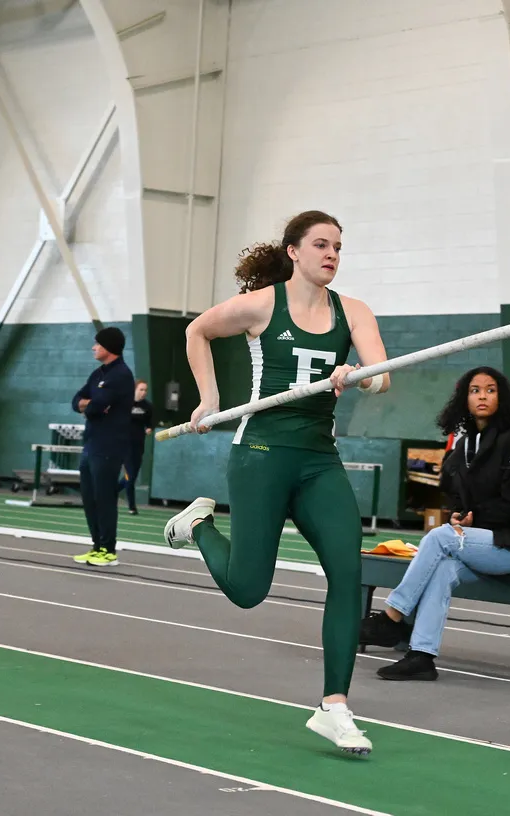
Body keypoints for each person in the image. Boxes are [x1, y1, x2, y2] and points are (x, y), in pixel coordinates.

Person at [162, 210, 391, 756]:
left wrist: (356, 377)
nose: (331, 254)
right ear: (294, 251)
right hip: (261, 453)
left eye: (338, 246)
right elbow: (197, 330)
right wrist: (210, 400)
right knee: (248, 591)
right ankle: (198, 525)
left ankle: (334, 705)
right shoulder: (263, 304)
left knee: (347, 568)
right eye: (320, 245)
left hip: (318, 458)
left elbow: (382, 377)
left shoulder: (353, 311)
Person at [359, 366, 510, 681]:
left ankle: (393, 615)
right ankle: (422, 656)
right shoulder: (466, 445)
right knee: (442, 568)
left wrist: (473, 520)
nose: (482, 396)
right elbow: (461, 498)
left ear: (502, 397)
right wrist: (460, 515)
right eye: (475, 390)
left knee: (440, 537)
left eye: (490, 389)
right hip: (482, 545)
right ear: (464, 399)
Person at [71, 327, 135, 567]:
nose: (93, 347)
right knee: (89, 498)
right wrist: (90, 404)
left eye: (97, 344)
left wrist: (92, 405)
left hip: (109, 445)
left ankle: (109, 550)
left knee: (104, 497)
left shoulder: (121, 375)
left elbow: (96, 406)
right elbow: (77, 400)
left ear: (109, 347)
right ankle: (96, 546)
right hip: (91, 444)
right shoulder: (98, 374)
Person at [117, 379, 154, 515]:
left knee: (131, 476)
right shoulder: (125, 404)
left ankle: (110, 493)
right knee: (130, 476)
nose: (143, 392)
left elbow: (150, 423)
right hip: (125, 444)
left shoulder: (147, 407)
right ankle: (132, 506)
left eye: (145, 390)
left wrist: (149, 428)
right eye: (141, 389)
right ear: (135, 390)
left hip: (139, 445)